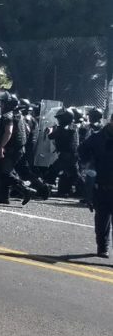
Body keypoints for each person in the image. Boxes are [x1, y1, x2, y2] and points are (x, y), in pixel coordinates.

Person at [0, 94, 35, 205]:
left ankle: (26, 190)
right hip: (16, 149)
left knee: (5, 173)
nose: (0, 106)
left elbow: (8, 132)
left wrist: (1, 147)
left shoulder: (8, 116)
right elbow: (27, 131)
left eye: (3, 103)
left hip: (10, 150)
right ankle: (3, 197)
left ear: (8, 104)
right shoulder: (18, 115)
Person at [79, 119, 113, 258]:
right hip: (102, 185)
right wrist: (88, 164)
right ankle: (102, 247)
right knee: (102, 219)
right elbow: (82, 150)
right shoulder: (97, 137)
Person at [47, 108, 81, 197]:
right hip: (73, 155)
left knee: (52, 171)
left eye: (60, 118)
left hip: (66, 156)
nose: (58, 120)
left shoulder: (63, 128)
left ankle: (45, 190)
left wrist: (50, 129)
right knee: (74, 174)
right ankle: (82, 191)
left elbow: (50, 136)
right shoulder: (73, 126)